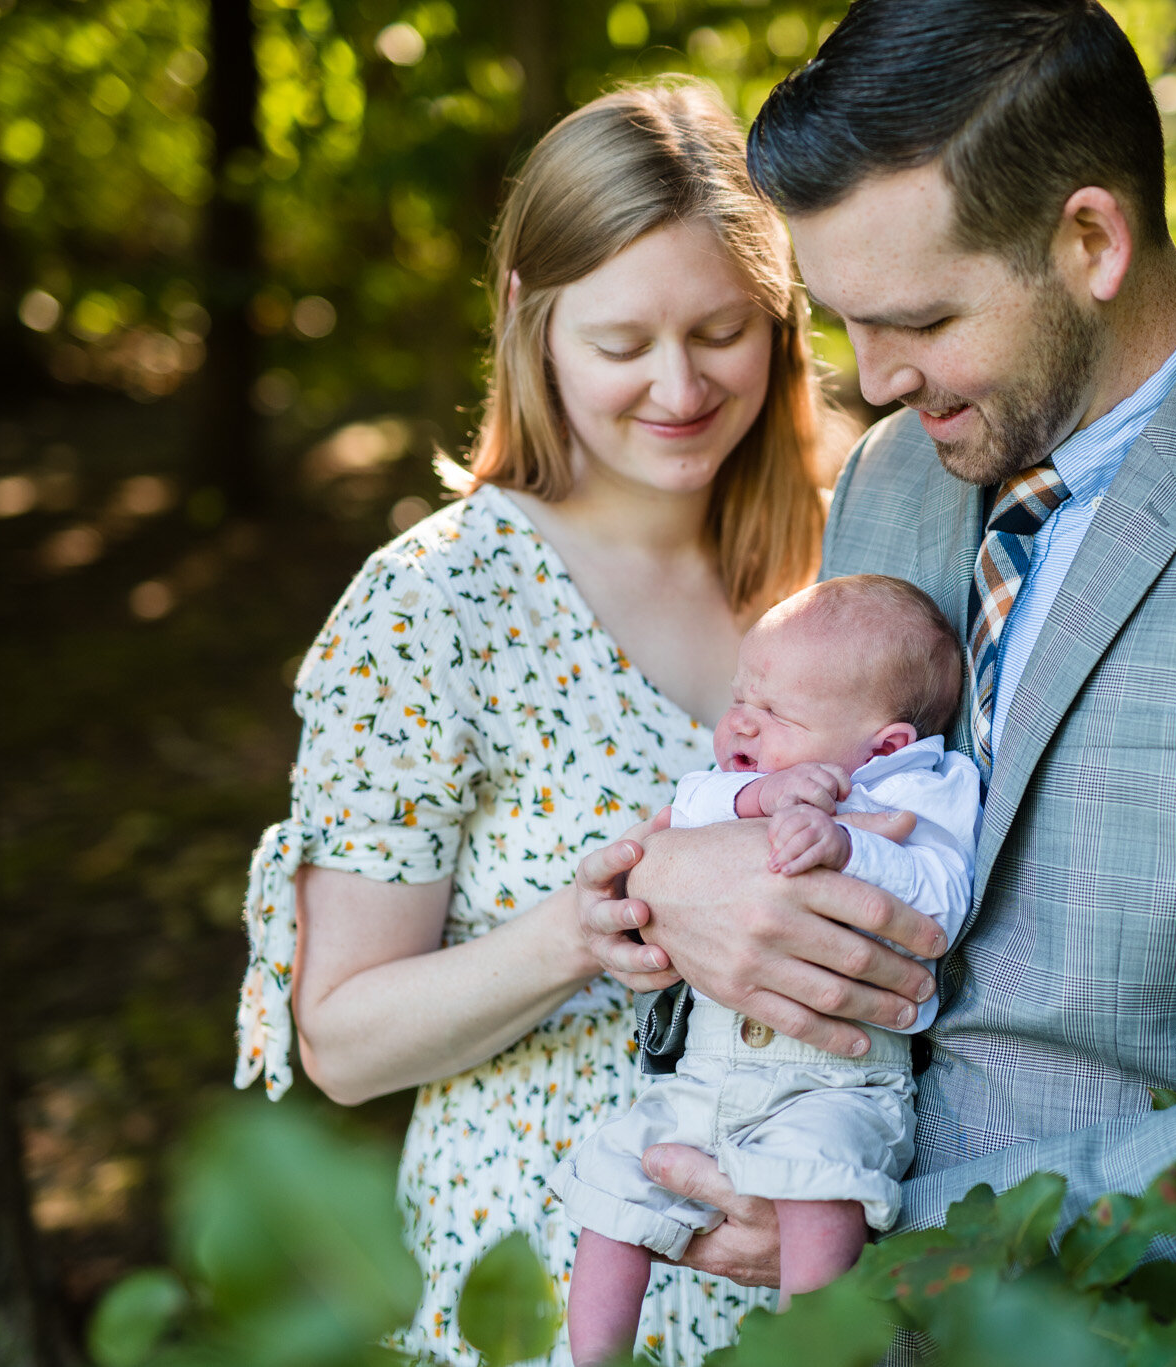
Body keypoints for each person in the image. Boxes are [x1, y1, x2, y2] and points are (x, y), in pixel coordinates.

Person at [575, 0, 1176, 1296]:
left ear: (1091, 240)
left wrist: (883, 1241)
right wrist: (692, 873)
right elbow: (837, 777)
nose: (875, 377)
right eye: (846, 320)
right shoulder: (902, 475)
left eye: (918, 319)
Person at [233, 79, 861, 1366]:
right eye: (621, 342)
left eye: (720, 331)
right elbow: (343, 1039)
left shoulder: (855, 560)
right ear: (529, 320)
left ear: (782, 318)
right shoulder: (437, 602)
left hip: (826, 1295)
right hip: (534, 1299)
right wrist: (570, 935)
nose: (678, 387)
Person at [556, 574, 976, 1365]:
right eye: (742, 698)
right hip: (706, 1077)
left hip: (836, 1082)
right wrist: (761, 796)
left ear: (884, 745)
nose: (741, 721)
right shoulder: (735, 788)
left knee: (823, 1191)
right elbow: (682, 816)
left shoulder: (923, 791)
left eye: (778, 713)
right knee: (612, 1181)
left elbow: (943, 899)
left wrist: (852, 845)